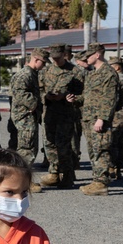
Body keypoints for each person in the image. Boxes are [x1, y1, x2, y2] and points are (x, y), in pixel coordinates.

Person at [38, 44, 82, 189]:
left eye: (58, 57)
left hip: (66, 115)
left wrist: (71, 98)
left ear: (64, 54)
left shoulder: (75, 71)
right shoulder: (46, 70)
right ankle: (54, 173)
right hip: (50, 113)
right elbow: (39, 90)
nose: (55, 61)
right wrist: (47, 97)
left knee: (64, 146)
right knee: (49, 145)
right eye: (53, 58)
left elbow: (85, 94)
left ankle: (68, 176)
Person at [77, 43, 118, 196]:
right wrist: (76, 99)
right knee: (94, 150)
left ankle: (101, 183)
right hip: (88, 118)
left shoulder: (108, 73)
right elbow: (89, 96)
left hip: (98, 119)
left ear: (97, 55)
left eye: (88, 55)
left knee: (101, 149)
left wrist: (102, 118)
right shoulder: (93, 73)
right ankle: (96, 180)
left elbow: (109, 98)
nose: (86, 58)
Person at [9, 48, 49, 192]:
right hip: (24, 118)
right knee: (26, 149)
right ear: (36, 59)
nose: (43, 66)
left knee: (27, 148)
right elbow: (20, 93)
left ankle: (22, 180)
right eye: (43, 63)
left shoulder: (32, 74)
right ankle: (23, 183)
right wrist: (34, 104)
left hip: (28, 117)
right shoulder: (24, 74)